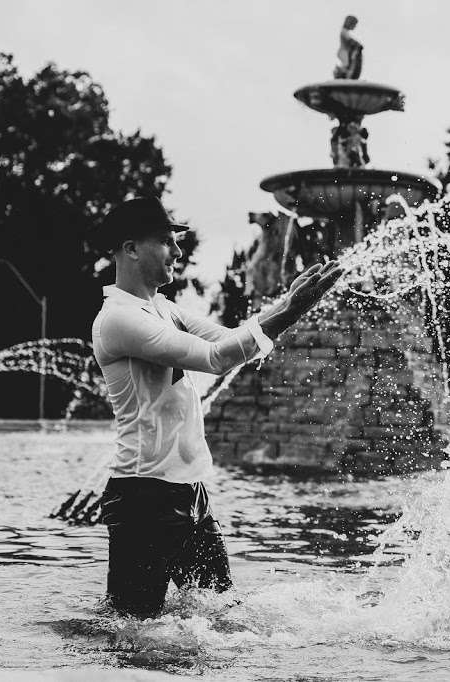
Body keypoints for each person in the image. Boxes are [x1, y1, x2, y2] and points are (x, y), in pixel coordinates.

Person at [90, 196, 342, 618]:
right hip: (143, 498)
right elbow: (217, 359)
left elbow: (229, 338)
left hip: (190, 492)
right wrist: (288, 312)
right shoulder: (118, 318)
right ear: (131, 248)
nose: (178, 252)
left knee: (222, 616)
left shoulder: (163, 308)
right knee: (133, 634)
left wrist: (286, 307)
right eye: (167, 242)